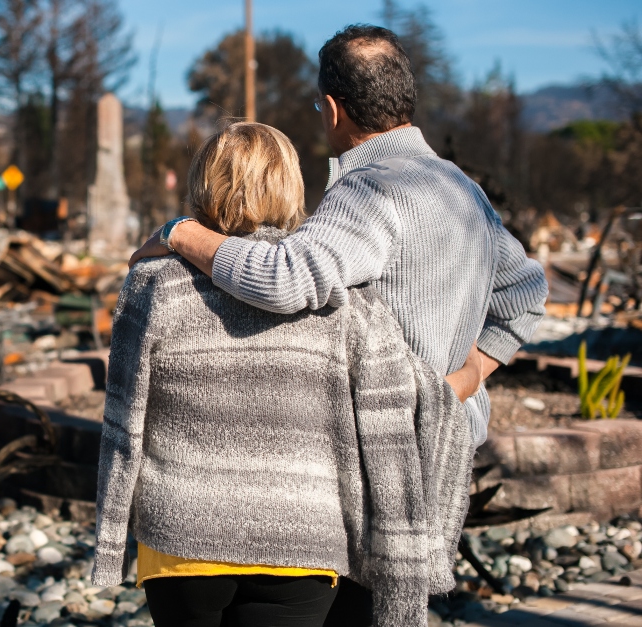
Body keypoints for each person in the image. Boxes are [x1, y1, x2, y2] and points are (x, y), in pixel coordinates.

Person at [128, 28, 548, 622]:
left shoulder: (372, 189)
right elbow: (527, 292)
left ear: (331, 108)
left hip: (382, 451)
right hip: (443, 448)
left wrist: (180, 233)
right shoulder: (461, 189)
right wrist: (470, 373)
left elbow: (286, 279)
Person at [92, 121, 473, 627]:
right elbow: (394, 407)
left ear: (202, 184)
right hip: (303, 541)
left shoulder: (153, 282)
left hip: (180, 535)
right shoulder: (342, 298)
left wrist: (112, 535)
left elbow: (123, 420)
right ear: (290, 185)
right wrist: (472, 371)